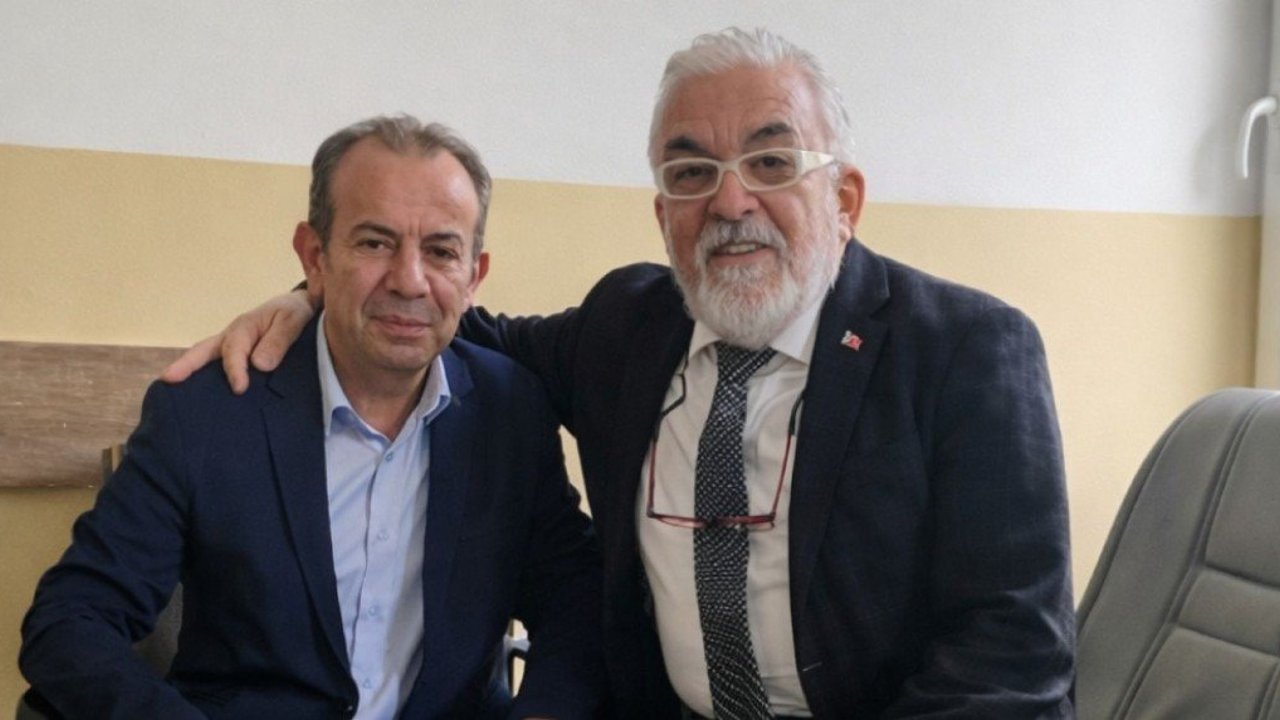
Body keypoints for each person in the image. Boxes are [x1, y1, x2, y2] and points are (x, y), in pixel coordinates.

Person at [164, 28, 1075, 719]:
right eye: (692, 171)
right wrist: (311, 296)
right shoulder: (628, 328)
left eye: (770, 161)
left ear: (843, 200)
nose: (729, 200)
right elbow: (436, 312)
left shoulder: (968, 353)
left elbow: (1013, 661)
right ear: (663, 213)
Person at [21, 115, 605, 719]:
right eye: (375, 243)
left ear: (474, 275)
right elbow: (70, 622)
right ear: (314, 257)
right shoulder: (208, 412)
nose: (410, 281)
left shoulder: (510, 410)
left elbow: (574, 594)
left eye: (441, 251)